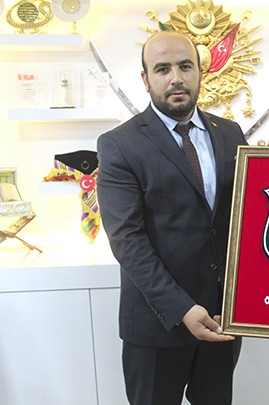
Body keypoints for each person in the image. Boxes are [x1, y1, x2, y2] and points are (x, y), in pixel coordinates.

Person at [97, 30, 246, 405]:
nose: (176, 78)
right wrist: (181, 308)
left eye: (185, 66)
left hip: (221, 320)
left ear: (200, 72)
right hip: (156, 324)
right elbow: (127, 241)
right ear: (146, 79)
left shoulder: (230, 134)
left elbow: (248, 215)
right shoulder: (119, 144)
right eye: (162, 69)